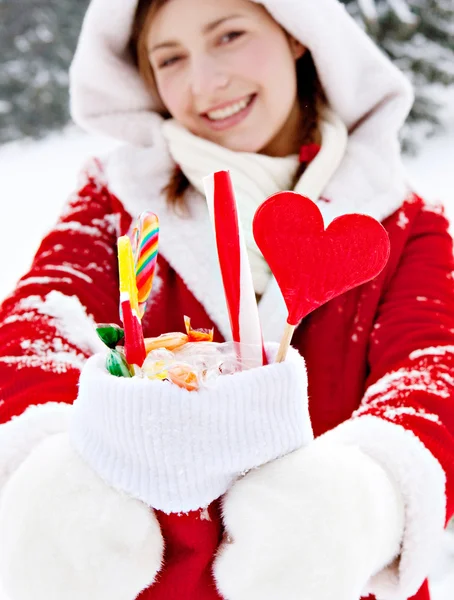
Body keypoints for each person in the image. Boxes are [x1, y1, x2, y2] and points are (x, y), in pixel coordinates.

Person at [0, 0, 453, 599]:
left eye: (230, 35)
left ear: (298, 35)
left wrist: (367, 498)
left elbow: (432, 365)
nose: (203, 82)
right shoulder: (115, 202)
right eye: (170, 58)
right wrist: (50, 470)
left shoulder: (404, 223)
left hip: (336, 583)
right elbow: (41, 321)